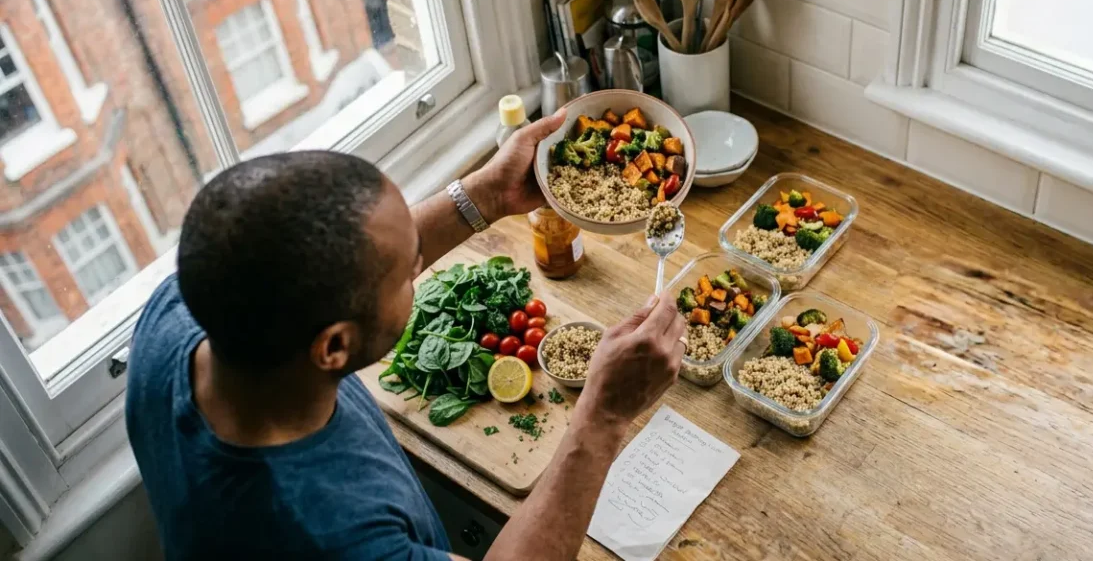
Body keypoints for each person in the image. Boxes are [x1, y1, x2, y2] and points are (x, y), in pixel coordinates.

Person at [125, 108, 688, 560]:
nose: (422, 267)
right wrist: (602, 418)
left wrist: (484, 196)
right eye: (406, 275)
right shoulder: (323, 532)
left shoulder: (180, 311)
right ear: (335, 347)